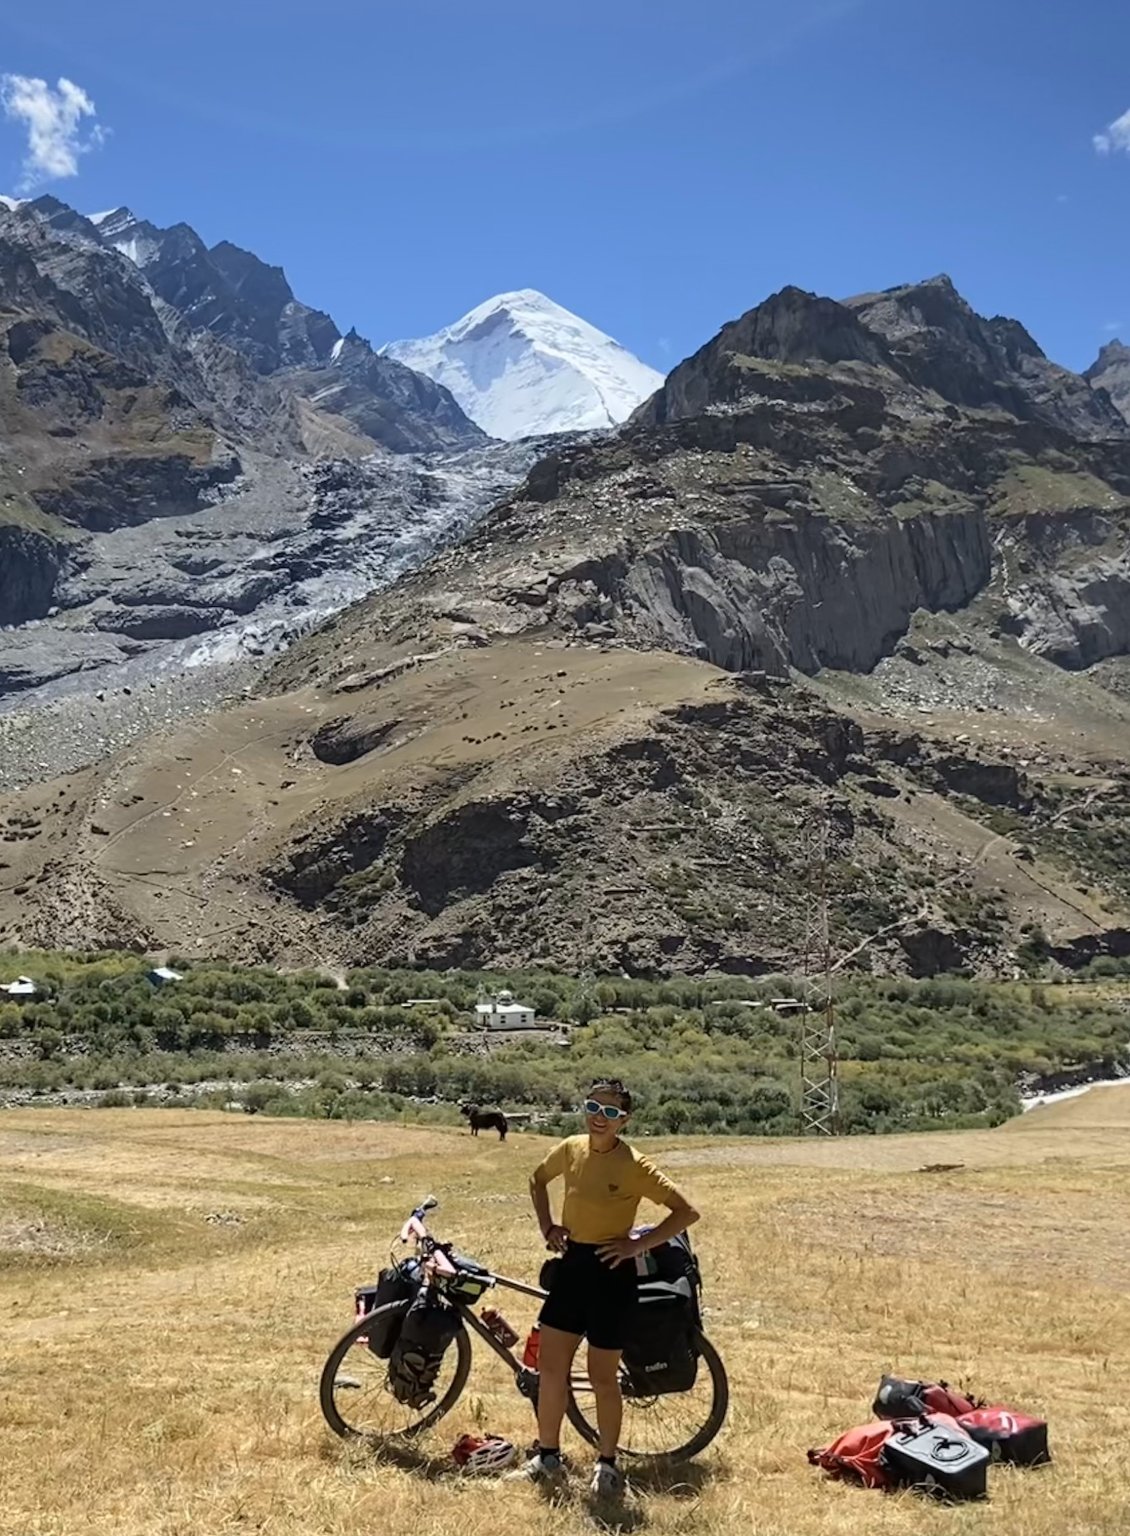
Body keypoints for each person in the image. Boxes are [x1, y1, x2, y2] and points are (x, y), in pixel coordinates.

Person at [507, 1077, 700, 1496]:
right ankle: (548, 1457)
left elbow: (686, 1212)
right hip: (572, 1266)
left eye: (611, 1112)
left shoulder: (634, 1164)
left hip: (613, 1275)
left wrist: (638, 1244)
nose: (600, 1117)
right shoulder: (571, 1147)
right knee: (551, 1369)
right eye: (594, 1107)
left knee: (603, 1378)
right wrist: (547, 1226)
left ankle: (607, 1465)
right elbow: (537, 1180)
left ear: (624, 1120)